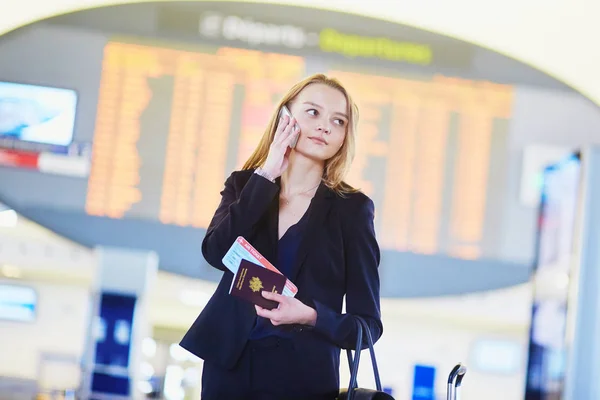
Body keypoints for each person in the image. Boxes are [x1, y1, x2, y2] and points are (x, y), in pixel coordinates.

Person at [180, 73, 383, 400]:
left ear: (346, 136)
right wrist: (267, 174)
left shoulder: (352, 210)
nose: (324, 126)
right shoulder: (246, 185)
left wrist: (311, 315)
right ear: (284, 117)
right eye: (313, 112)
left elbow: (368, 326)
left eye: (339, 121)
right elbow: (216, 252)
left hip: (302, 379)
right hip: (230, 370)